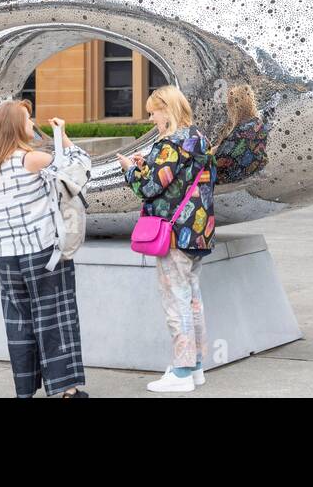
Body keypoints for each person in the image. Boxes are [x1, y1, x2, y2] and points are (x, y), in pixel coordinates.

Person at [0, 100, 88, 399]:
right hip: (42, 253)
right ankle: (67, 391)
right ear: (14, 126)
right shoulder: (31, 159)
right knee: (55, 318)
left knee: (19, 323)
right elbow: (79, 167)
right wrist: (62, 136)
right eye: (27, 118)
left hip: (7, 258)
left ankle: (24, 391)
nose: (32, 122)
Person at [119, 85, 215, 394]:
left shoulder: (169, 145)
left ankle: (182, 371)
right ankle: (196, 366)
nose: (152, 120)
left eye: (153, 113)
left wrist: (131, 170)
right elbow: (182, 180)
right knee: (193, 300)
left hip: (172, 233)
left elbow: (148, 189)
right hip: (198, 231)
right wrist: (148, 165)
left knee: (176, 303)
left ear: (167, 110)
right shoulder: (199, 139)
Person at [211, 84, 271, 184]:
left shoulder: (238, 132)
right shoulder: (259, 124)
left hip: (231, 174)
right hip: (256, 166)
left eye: (229, 106)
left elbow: (221, 158)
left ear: (234, 107)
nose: (228, 110)